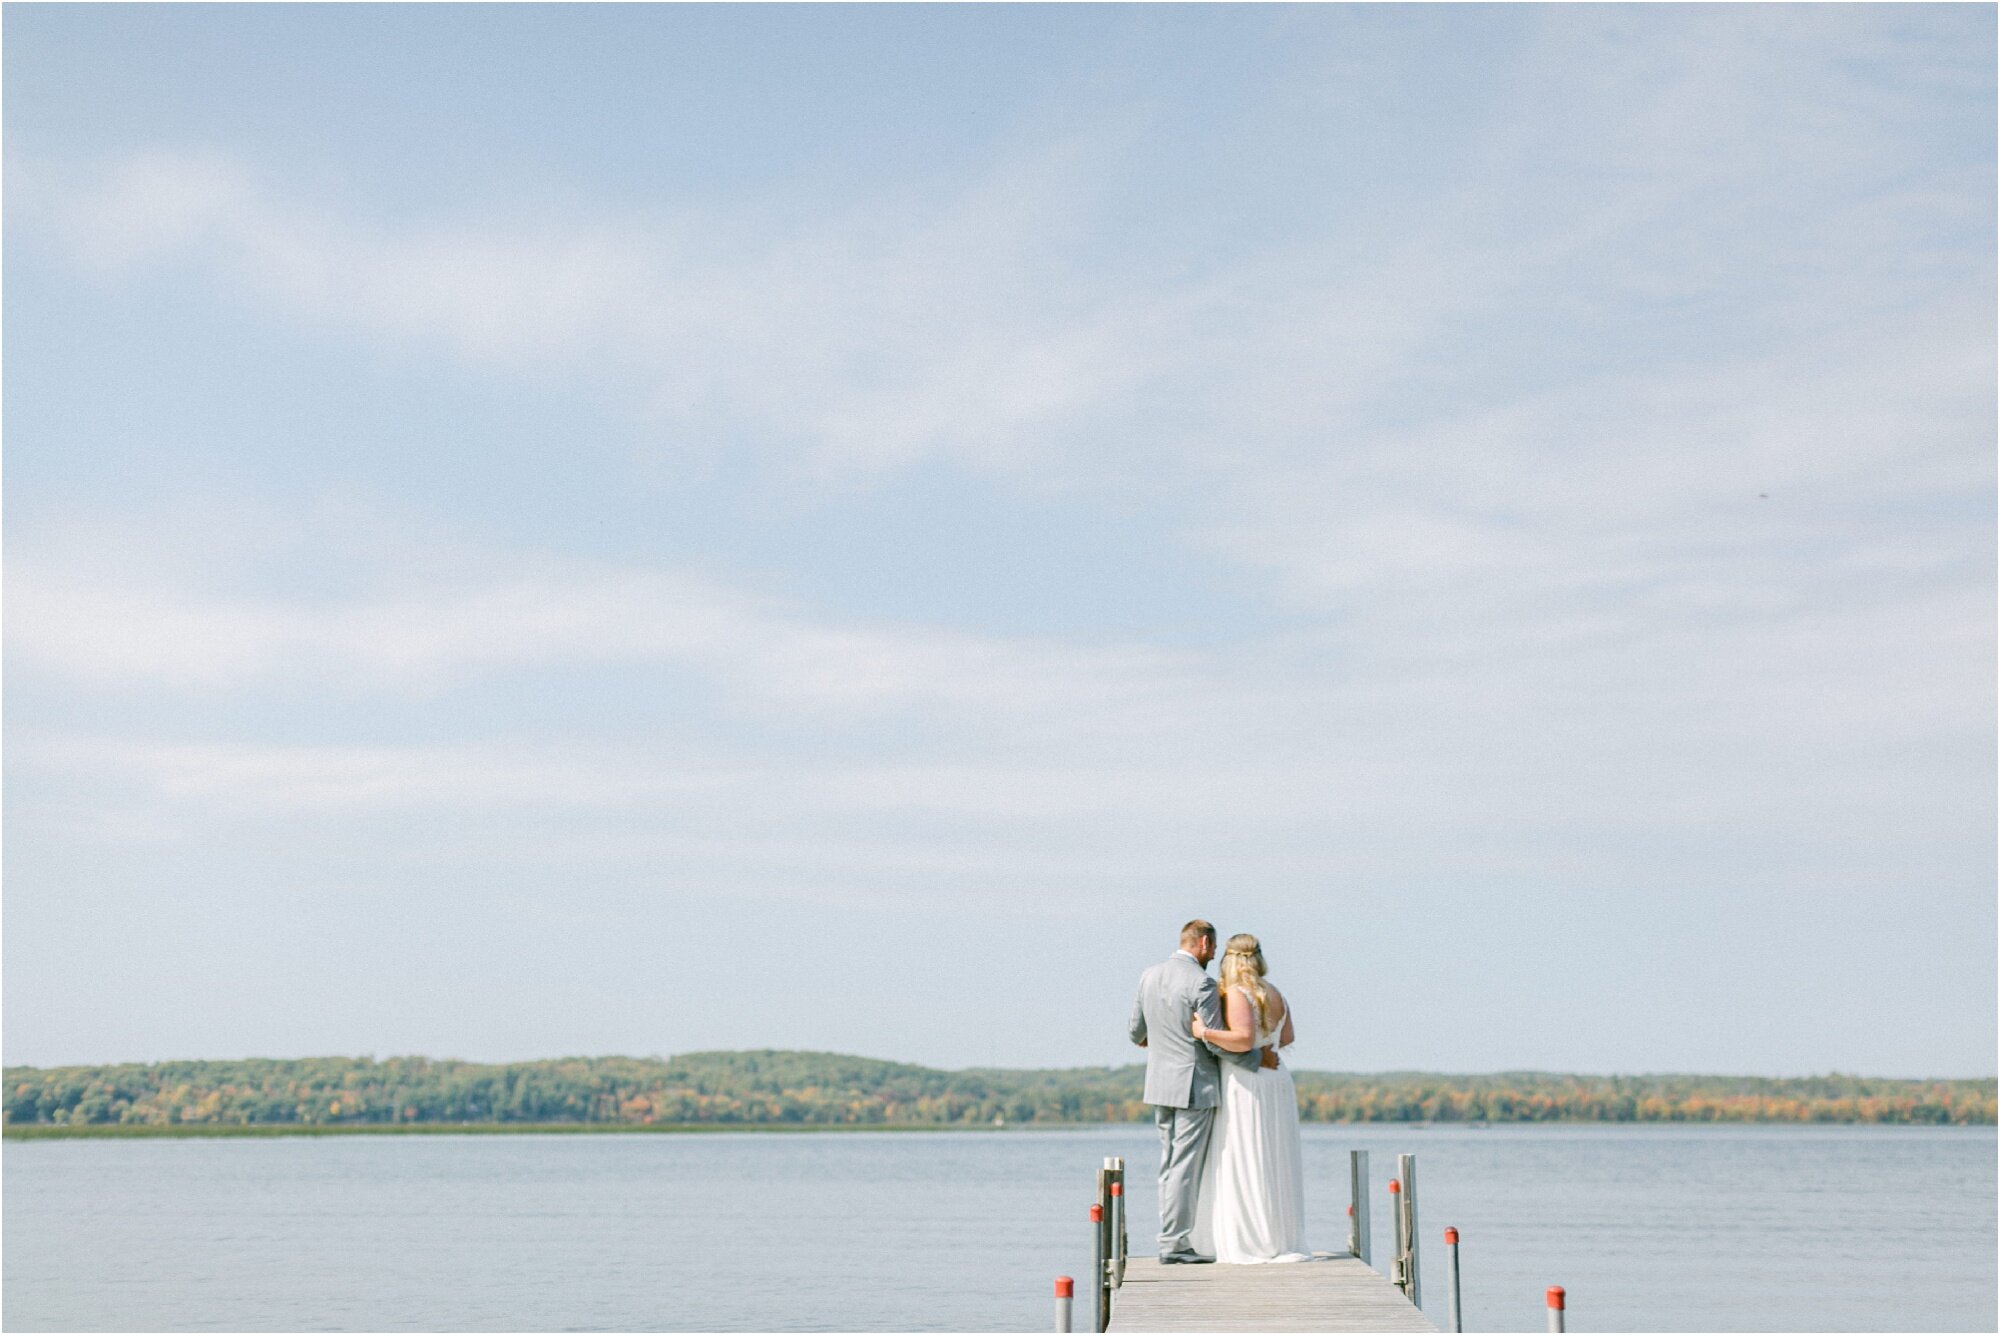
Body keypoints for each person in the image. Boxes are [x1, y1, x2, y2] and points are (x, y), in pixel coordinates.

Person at [1127, 919, 1271, 1263]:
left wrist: (1162, 1042)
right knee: (1185, 1166)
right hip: (1194, 1085)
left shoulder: (1149, 974)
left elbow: (1135, 1032)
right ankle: (1174, 1243)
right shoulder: (1201, 983)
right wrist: (1257, 1057)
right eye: (1214, 946)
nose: (1214, 954)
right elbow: (1218, 1042)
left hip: (1159, 1083)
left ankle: (1171, 1237)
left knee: (1169, 1164)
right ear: (1204, 943)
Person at [1186, 933, 1311, 1263]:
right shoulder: (1275, 992)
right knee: (1273, 1155)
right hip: (1276, 1079)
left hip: (1248, 1082)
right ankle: (1277, 1233)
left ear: (1231, 960)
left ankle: (1252, 1237)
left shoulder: (1239, 994)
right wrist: (1264, 1043)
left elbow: (1241, 1040)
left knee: (1245, 1152)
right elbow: (1287, 1036)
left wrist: (1205, 1033)